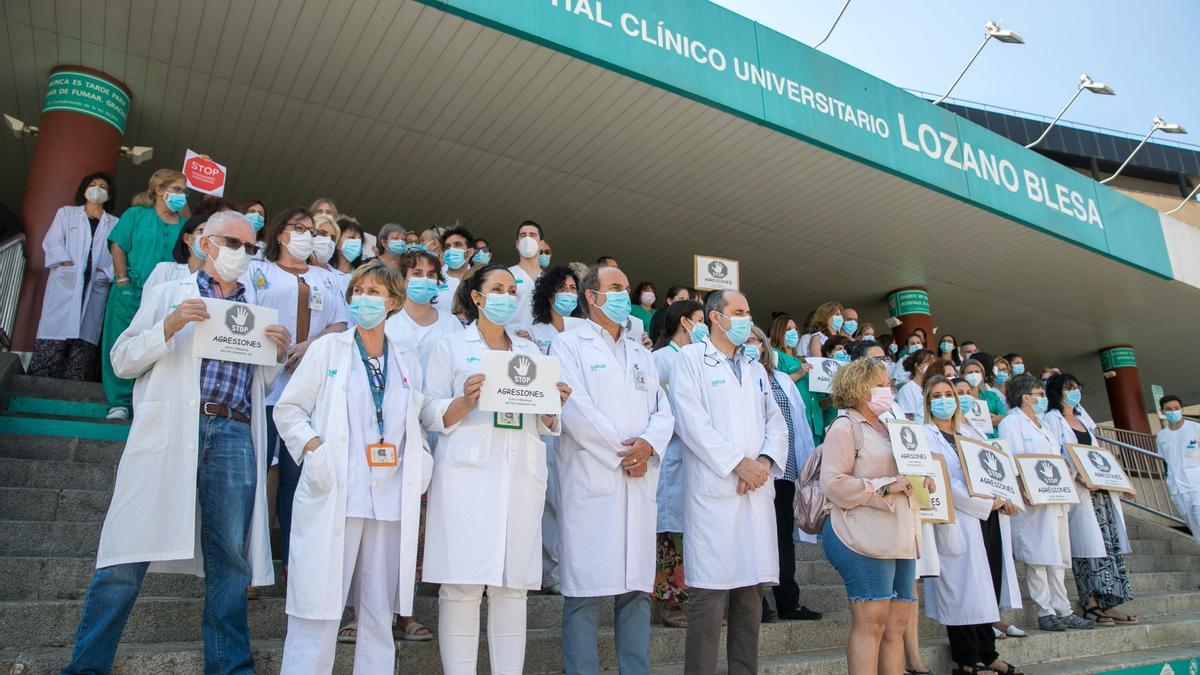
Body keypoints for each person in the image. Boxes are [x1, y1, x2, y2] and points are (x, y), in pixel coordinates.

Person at [61, 211, 289, 674]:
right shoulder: (168, 293)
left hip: (233, 432)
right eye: (233, 242)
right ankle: (86, 667)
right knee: (126, 552)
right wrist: (167, 327)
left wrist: (278, 353)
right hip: (172, 428)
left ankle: (230, 668)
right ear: (204, 243)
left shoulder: (258, 308)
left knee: (230, 556)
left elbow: (259, 380)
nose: (242, 254)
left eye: (250, 246)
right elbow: (122, 359)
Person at [273, 260, 433, 673]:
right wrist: (315, 450)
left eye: (375, 292)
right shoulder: (329, 348)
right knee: (319, 607)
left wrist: (423, 463)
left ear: (393, 302)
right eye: (359, 290)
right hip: (337, 492)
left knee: (378, 611)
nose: (365, 299)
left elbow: (413, 421)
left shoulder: (405, 361)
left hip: (388, 498)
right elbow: (289, 409)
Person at [420, 264, 571, 675]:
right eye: (496, 288)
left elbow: (547, 424)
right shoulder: (450, 347)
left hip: (520, 475)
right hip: (466, 476)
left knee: (512, 587)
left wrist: (553, 403)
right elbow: (427, 409)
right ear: (477, 297)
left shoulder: (530, 353)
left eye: (511, 289)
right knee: (462, 586)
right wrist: (463, 402)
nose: (505, 295)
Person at [550, 265, 675, 674]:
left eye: (625, 287)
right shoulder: (568, 345)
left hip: (638, 485)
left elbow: (663, 410)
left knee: (637, 593)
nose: (624, 294)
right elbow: (576, 409)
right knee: (585, 596)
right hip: (595, 479)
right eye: (616, 288)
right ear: (592, 296)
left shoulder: (642, 352)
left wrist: (648, 446)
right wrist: (625, 454)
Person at [669, 289, 787, 675]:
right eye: (738, 312)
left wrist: (764, 463)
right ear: (715, 317)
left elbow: (776, 421)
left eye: (749, 312)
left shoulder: (754, 368)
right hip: (716, 489)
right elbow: (691, 422)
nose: (746, 319)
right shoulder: (690, 360)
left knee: (752, 594)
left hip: (755, 488)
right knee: (710, 596)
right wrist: (738, 464)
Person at [246, 208, 350, 575]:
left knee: (295, 478)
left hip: (309, 391)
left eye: (312, 231)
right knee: (256, 474)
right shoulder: (257, 271)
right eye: (299, 229)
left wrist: (310, 346)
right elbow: (243, 315)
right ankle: (251, 567)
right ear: (279, 233)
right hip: (263, 383)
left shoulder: (327, 278)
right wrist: (270, 345)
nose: (308, 236)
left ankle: (294, 564)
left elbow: (341, 322)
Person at [820, 357, 924, 675]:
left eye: (888, 384)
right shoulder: (845, 426)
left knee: (896, 624)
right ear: (860, 388)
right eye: (881, 384)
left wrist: (923, 481)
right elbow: (833, 484)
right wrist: (887, 486)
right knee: (872, 622)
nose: (888, 389)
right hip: (862, 537)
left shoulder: (894, 427)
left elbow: (908, 475)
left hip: (901, 537)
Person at [922, 375, 1024, 675]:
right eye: (937, 395)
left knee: (986, 586)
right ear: (928, 402)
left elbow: (995, 470)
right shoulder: (926, 435)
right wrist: (982, 503)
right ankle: (967, 659)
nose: (945, 400)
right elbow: (942, 479)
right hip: (960, 518)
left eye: (949, 394)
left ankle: (989, 653)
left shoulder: (971, 431)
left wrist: (1005, 498)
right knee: (962, 590)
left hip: (990, 518)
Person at [998, 375, 1096, 632]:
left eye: (1042, 393)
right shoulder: (1011, 423)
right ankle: (1045, 611)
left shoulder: (1043, 424)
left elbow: (1058, 456)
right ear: (1023, 396)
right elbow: (1012, 460)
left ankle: (1064, 609)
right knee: (1038, 557)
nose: (1041, 398)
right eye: (1037, 393)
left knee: (1058, 557)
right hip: (1033, 499)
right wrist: (1022, 488)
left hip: (1056, 496)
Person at [1043, 374, 1136, 626]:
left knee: (1108, 547)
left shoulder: (1084, 420)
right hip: (1079, 492)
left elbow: (1100, 457)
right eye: (1068, 388)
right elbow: (1054, 456)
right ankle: (1090, 603)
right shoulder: (1051, 420)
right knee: (1088, 551)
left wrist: (1122, 483)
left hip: (1101, 493)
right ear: (1055, 392)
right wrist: (1079, 478)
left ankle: (1109, 603)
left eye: (1076, 387)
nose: (1074, 392)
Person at [100, 168, 189, 420]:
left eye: (184, 191)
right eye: (177, 190)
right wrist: (122, 280)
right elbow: (118, 246)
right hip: (130, 290)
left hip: (167, 295)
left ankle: (147, 402)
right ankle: (119, 401)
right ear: (159, 191)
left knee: (159, 343)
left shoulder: (184, 226)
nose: (182, 195)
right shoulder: (136, 215)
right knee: (121, 340)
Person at [747, 326, 821, 622]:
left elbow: (798, 423)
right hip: (753, 471)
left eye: (756, 340)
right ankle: (757, 605)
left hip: (785, 471)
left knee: (782, 538)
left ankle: (788, 602)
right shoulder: (738, 377)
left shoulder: (780, 379)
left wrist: (804, 467)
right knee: (753, 536)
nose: (752, 345)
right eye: (747, 341)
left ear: (764, 346)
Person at [29, 172, 118, 381]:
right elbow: (52, 242)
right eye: (93, 184)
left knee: (86, 333)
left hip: (96, 281)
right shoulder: (67, 214)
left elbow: (118, 252)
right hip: (67, 279)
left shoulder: (114, 223)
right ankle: (41, 378)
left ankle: (75, 381)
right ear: (84, 189)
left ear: (110, 194)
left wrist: (106, 273)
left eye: (103, 186)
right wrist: (66, 262)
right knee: (55, 330)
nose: (97, 189)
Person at [649, 299, 705, 628]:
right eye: (699, 320)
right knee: (670, 535)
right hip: (670, 457)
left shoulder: (703, 360)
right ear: (684, 322)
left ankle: (699, 602)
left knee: (697, 534)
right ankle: (671, 604)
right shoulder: (659, 360)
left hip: (699, 459)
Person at [527, 265, 582, 593]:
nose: (568, 293)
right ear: (548, 293)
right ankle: (551, 571)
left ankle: (573, 567)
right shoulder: (533, 334)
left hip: (582, 426)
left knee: (574, 497)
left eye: (573, 288)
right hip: (548, 423)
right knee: (549, 499)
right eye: (561, 287)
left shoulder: (584, 333)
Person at [384, 250, 464, 372]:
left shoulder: (452, 323)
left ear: (437, 281)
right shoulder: (387, 321)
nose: (425, 279)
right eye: (417, 274)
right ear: (403, 279)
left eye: (431, 275)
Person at [768, 313, 824, 446]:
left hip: (814, 421)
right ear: (778, 331)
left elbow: (817, 397)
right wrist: (799, 373)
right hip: (794, 422)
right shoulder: (775, 355)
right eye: (788, 329)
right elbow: (774, 385)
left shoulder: (801, 359)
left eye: (794, 329)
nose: (793, 332)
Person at [1156, 395, 1200, 552]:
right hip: (1178, 490)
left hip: (1197, 486)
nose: (1173, 412)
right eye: (1169, 409)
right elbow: (1165, 460)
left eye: (1176, 408)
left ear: (1182, 409)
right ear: (1162, 412)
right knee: (1196, 531)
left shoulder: (1195, 428)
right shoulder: (1161, 436)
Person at [144, 212, 212, 290]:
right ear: (187, 239)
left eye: (213, 234)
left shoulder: (218, 278)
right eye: (202, 231)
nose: (208, 238)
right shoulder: (165, 270)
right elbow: (149, 301)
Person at [509, 220, 544, 329]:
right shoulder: (507, 274)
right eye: (523, 235)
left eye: (532, 235)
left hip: (543, 341)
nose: (527, 239)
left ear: (541, 244)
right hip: (512, 337)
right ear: (517, 244)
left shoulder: (550, 279)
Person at [437, 225, 476, 317]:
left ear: (470, 252)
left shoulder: (481, 278)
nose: (451, 249)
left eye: (457, 245)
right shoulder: (435, 280)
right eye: (447, 247)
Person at [896, 349, 936, 422]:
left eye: (934, 364)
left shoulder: (934, 387)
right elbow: (908, 418)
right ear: (917, 365)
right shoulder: (907, 390)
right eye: (929, 363)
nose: (932, 366)